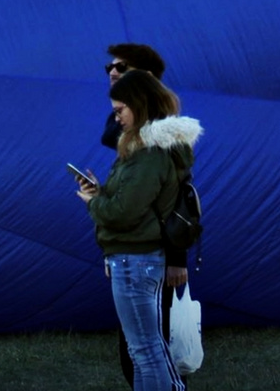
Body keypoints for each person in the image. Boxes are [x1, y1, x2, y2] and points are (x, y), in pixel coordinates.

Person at [77, 69, 201, 391]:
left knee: (147, 351)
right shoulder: (143, 148)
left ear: (139, 104)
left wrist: (93, 203)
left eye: (120, 110)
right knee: (141, 350)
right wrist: (99, 191)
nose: (116, 118)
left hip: (136, 261)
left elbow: (122, 213)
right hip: (135, 260)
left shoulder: (148, 154)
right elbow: (133, 202)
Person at [102, 44, 188, 386]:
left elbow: (178, 195)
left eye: (122, 68)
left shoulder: (159, 133)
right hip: (133, 249)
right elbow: (111, 136)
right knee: (141, 347)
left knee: (149, 347)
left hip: (150, 251)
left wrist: (177, 257)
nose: (112, 72)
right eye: (109, 67)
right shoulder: (135, 128)